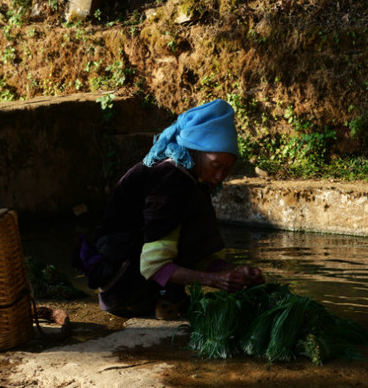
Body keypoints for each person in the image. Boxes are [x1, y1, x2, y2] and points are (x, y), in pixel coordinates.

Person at [75, 99, 264, 319]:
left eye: (227, 169)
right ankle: (156, 301)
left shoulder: (194, 181)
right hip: (122, 287)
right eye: (215, 165)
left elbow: (199, 251)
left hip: (140, 283)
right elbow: (153, 266)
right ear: (197, 153)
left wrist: (233, 272)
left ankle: (167, 298)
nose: (220, 176)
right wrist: (214, 280)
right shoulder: (171, 177)